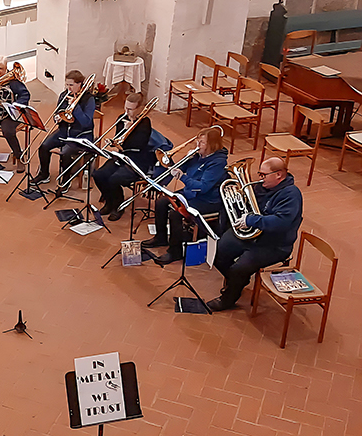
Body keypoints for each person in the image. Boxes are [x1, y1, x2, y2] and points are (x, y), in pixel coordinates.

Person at [207, 157, 303, 312]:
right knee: (217, 252)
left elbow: (281, 222)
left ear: (278, 175)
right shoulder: (262, 187)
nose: (259, 178)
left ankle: (228, 299)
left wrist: (252, 219)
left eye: (263, 175)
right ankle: (238, 281)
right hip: (252, 236)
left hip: (274, 244)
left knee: (240, 268)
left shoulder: (291, 195)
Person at [141, 127, 228, 264]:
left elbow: (203, 187)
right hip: (191, 193)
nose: (197, 146)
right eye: (198, 142)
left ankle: (175, 252)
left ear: (212, 145)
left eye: (202, 143)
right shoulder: (198, 156)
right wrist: (181, 161)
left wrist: (183, 178)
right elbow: (181, 169)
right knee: (162, 202)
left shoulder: (218, 163)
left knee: (176, 213)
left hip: (207, 199)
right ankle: (161, 237)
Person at [31, 70, 97, 188]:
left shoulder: (89, 99)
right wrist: (57, 118)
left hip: (80, 135)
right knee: (44, 146)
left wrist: (75, 107)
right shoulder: (64, 95)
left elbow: (86, 122)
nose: (68, 88)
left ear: (79, 84)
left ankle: (66, 180)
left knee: (65, 153)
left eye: (71, 85)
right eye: (67, 85)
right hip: (64, 131)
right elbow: (58, 112)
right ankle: (44, 174)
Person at [92, 93, 152, 221]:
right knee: (99, 175)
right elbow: (119, 141)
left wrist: (129, 131)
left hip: (137, 160)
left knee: (114, 179)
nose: (127, 111)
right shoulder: (122, 118)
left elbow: (138, 145)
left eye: (130, 109)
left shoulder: (145, 122)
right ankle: (109, 202)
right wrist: (117, 138)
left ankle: (118, 206)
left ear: (139, 109)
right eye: (126, 108)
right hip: (121, 156)